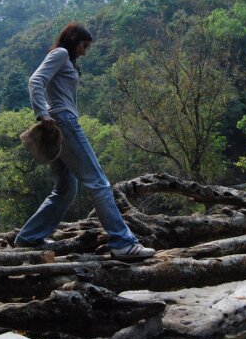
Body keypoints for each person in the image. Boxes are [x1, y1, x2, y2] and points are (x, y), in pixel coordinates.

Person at [15, 22, 155, 260]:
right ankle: (122, 242)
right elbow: (35, 81)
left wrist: (48, 113)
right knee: (98, 182)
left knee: (67, 188)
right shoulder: (60, 54)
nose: (85, 51)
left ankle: (29, 237)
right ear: (72, 40)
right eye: (84, 45)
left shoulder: (65, 59)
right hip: (64, 122)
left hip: (59, 122)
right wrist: (42, 113)